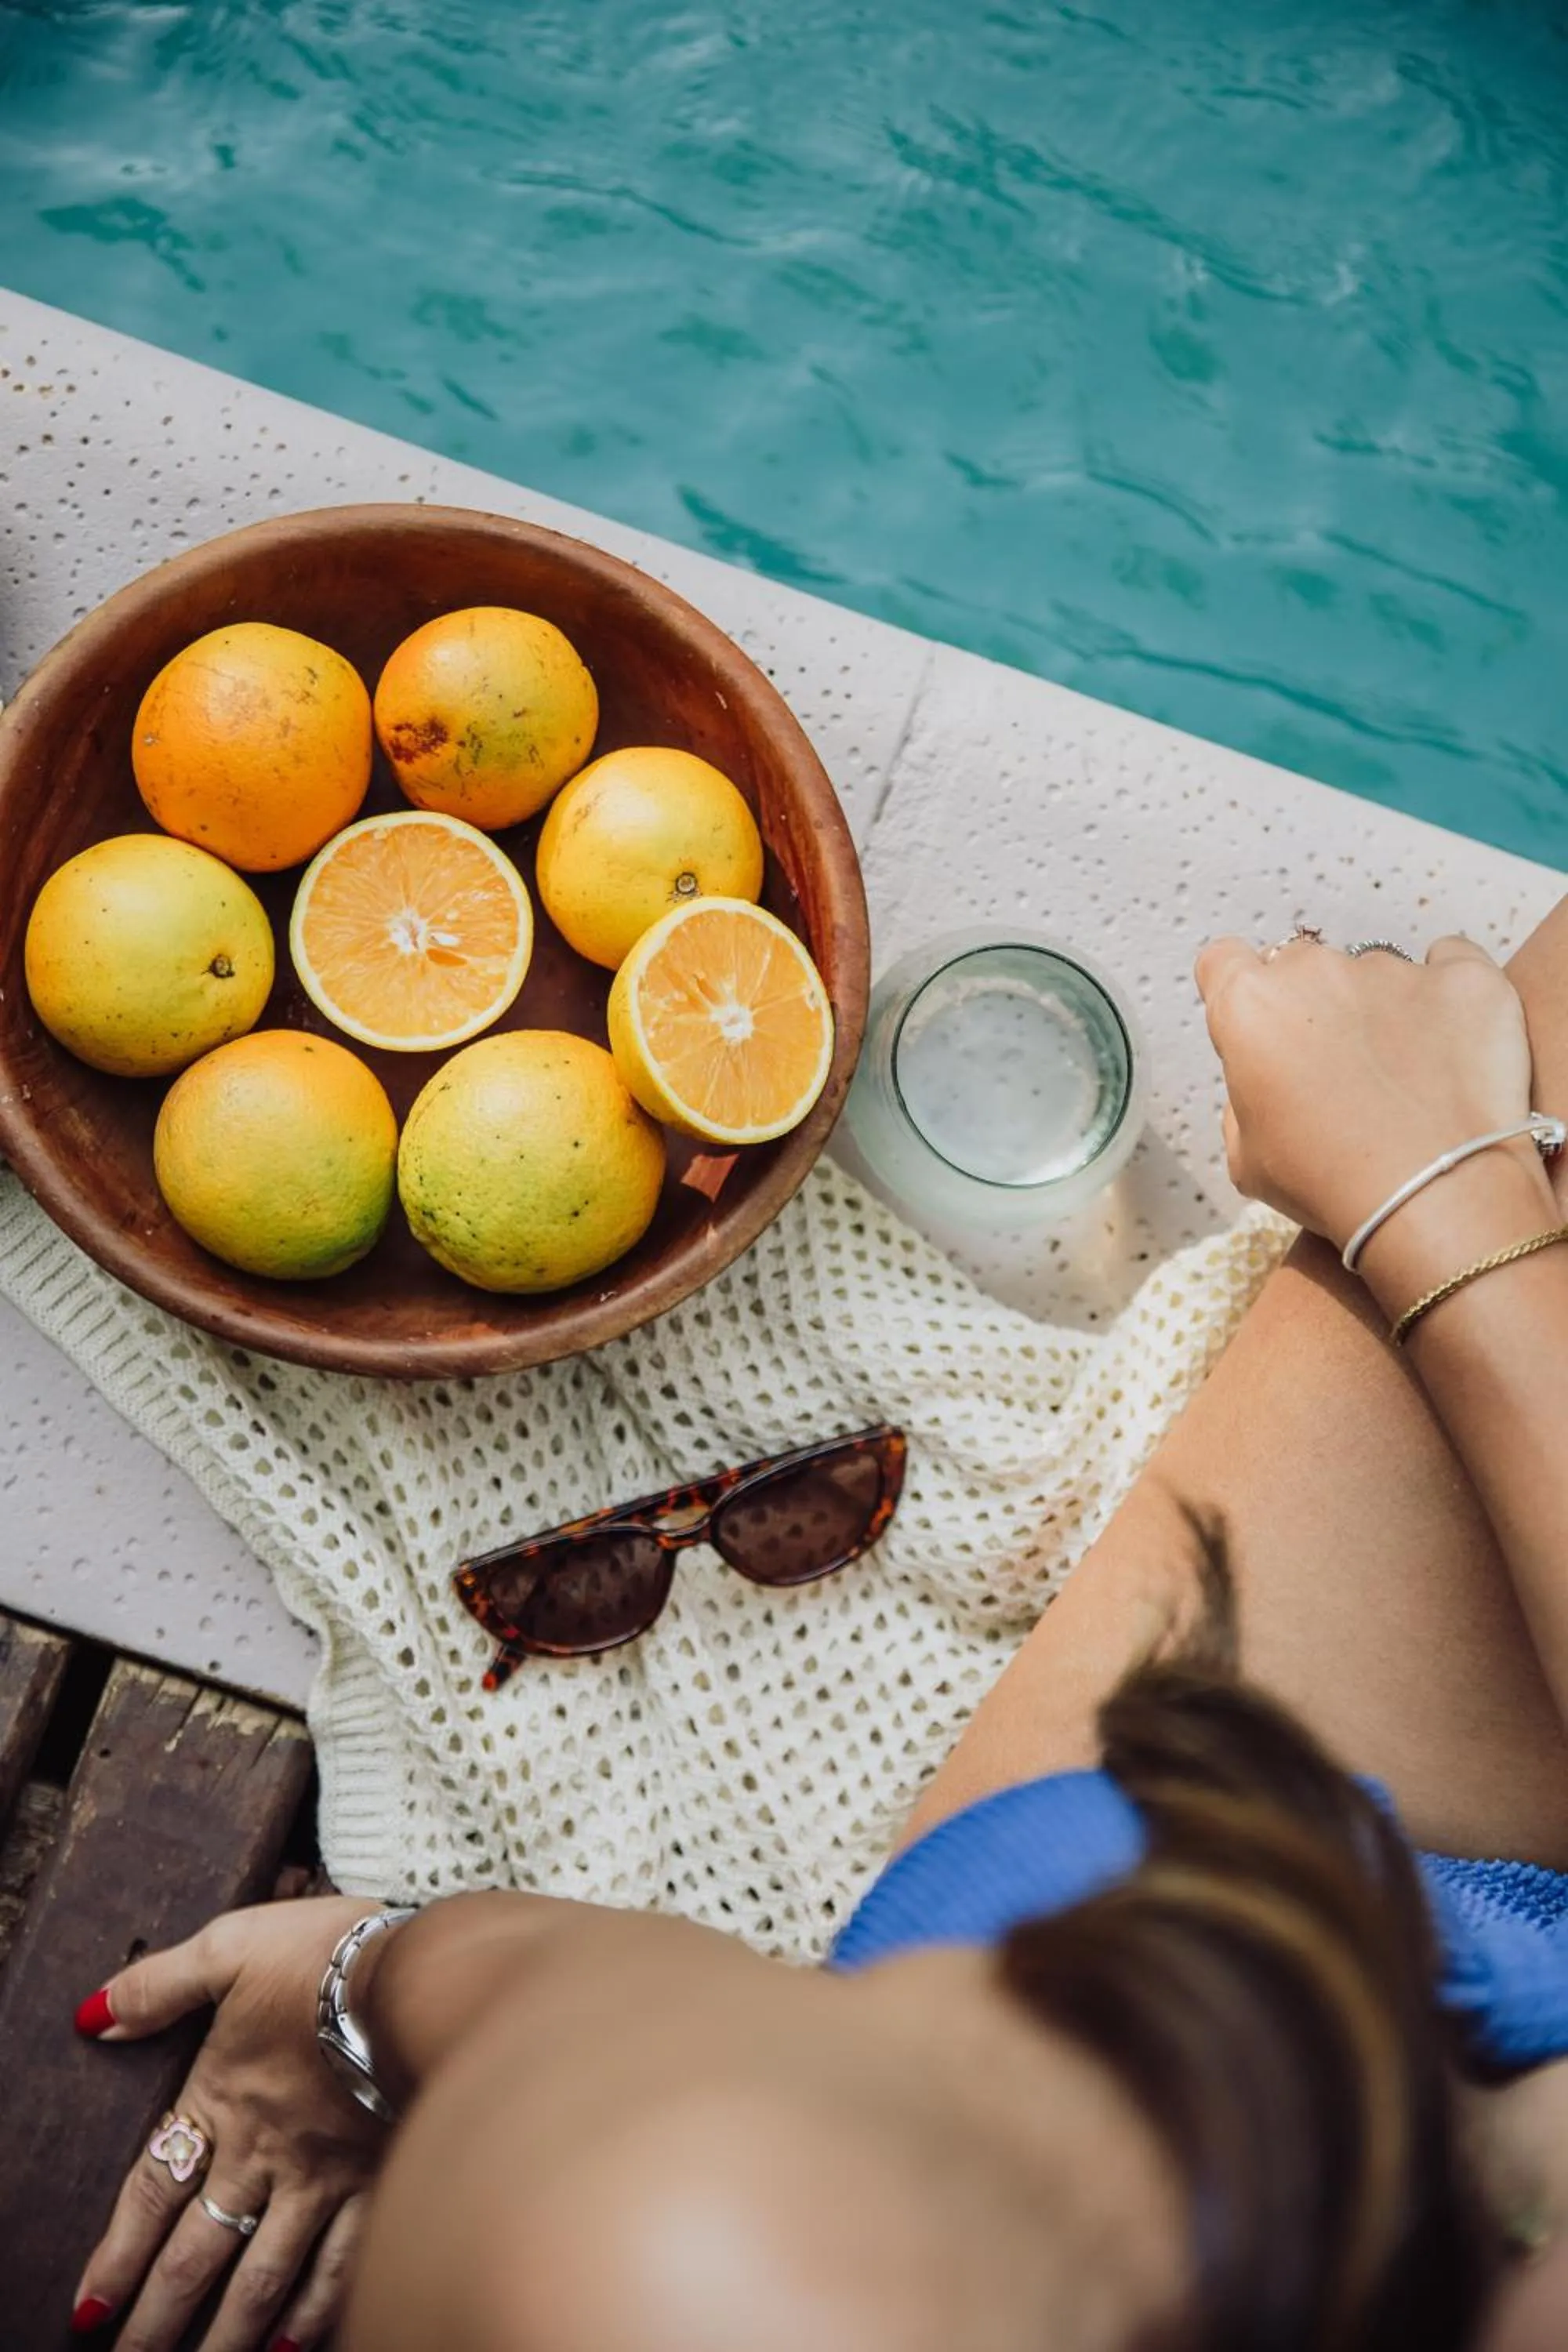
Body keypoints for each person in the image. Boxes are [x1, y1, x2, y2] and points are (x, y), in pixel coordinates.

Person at [64, 909, 1568, 2352]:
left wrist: (359, 2001)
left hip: (1223, 1882)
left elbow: (555, 1993)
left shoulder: (670, 2217)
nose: (1059, 1986)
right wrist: (1434, 1197)